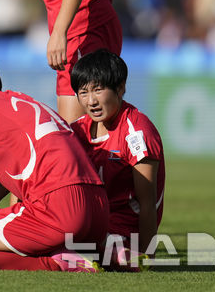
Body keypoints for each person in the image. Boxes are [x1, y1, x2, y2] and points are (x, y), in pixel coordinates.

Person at [0, 51, 109, 272]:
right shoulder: (20, 100)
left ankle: (60, 263)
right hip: (99, 209)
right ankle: (101, 254)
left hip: (59, 208)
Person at [69, 49, 165, 258]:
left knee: (64, 246)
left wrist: (146, 257)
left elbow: (148, 203)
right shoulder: (76, 131)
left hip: (124, 233)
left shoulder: (137, 133)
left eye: (98, 90)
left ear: (120, 88)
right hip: (91, 223)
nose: (91, 101)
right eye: (83, 92)